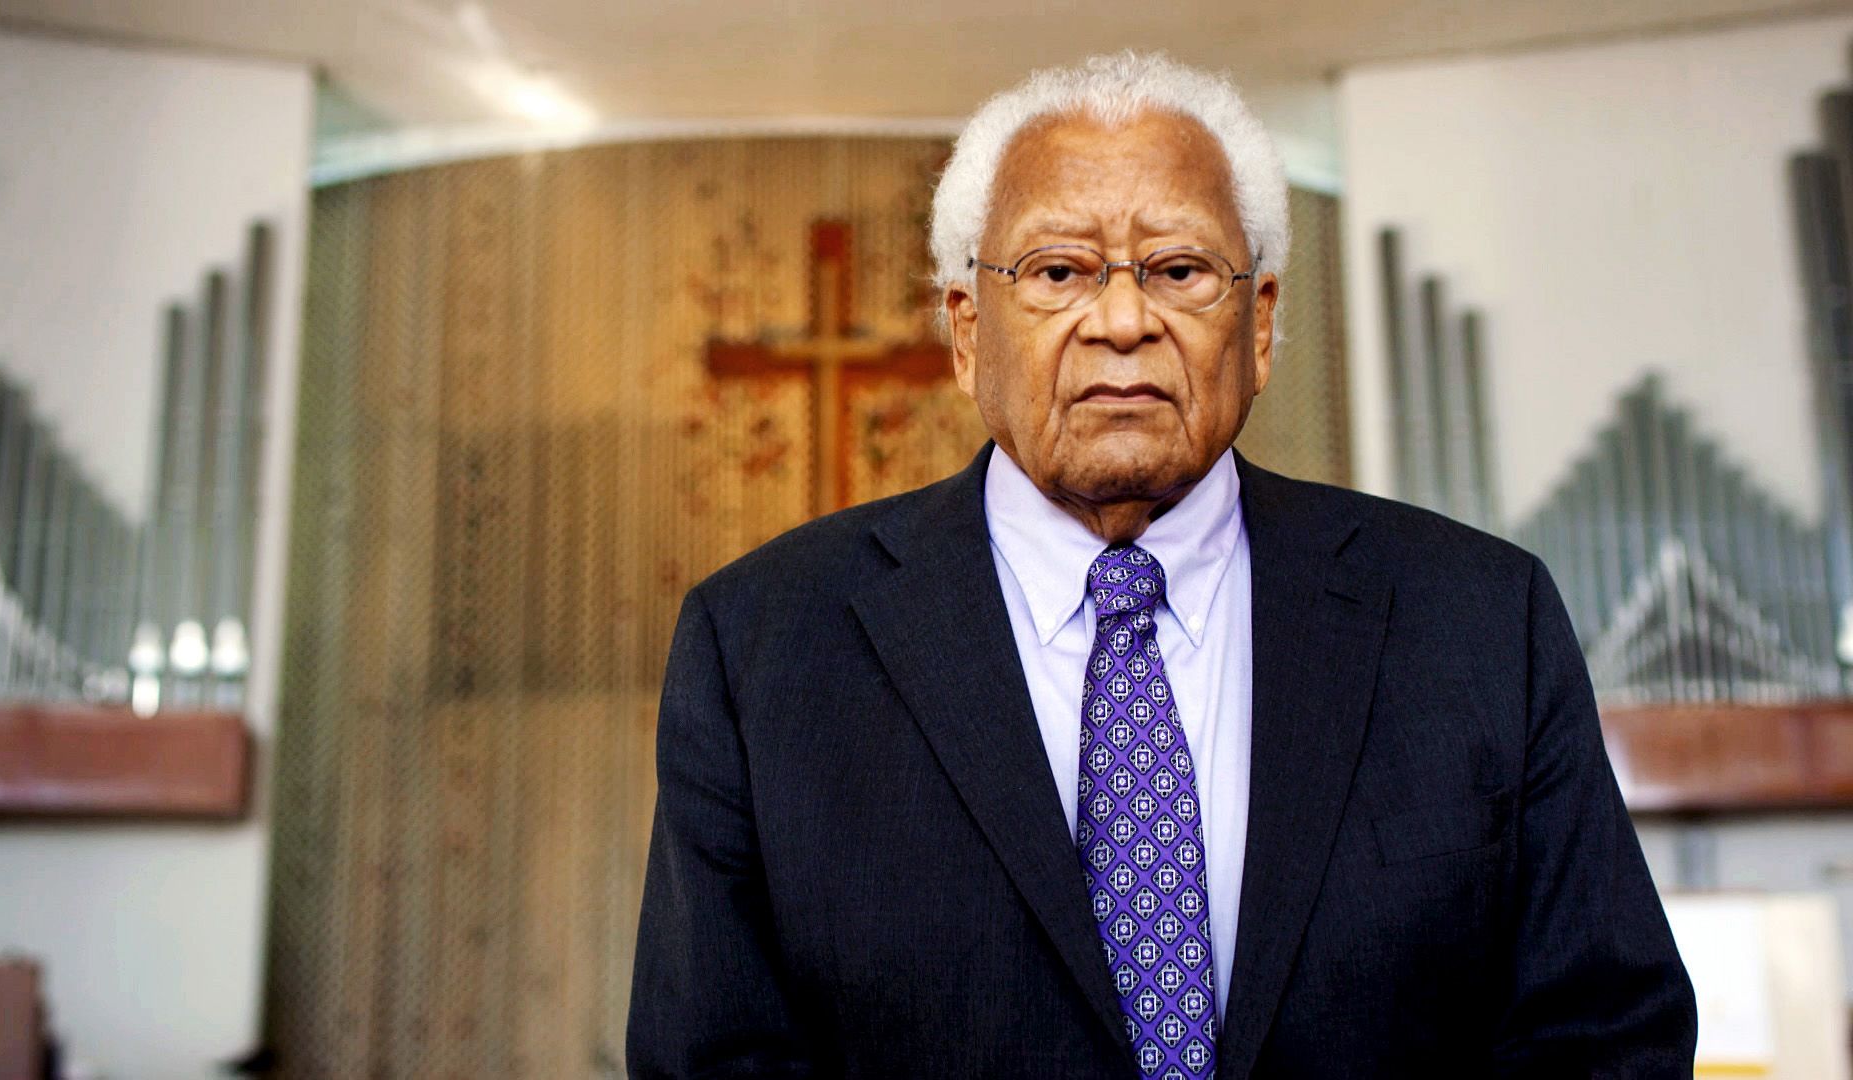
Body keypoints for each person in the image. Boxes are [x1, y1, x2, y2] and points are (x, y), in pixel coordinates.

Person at [627, 51, 1695, 1079]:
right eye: (1057, 271)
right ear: (965, 332)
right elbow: (716, 1058)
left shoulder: (1477, 620)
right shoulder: (763, 647)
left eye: (1180, 270)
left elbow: (1604, 1035)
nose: (1125, 320)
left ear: (1262, 324)